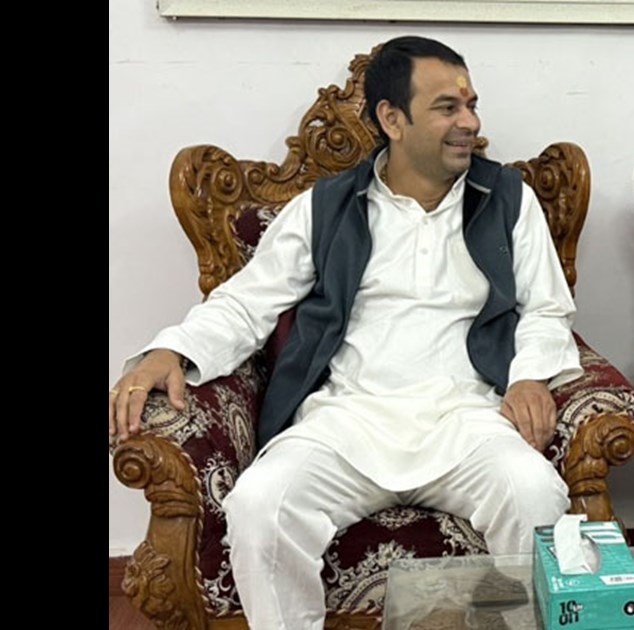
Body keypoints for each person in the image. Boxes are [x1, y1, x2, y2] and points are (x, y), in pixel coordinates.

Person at [108, 35, 582, 629]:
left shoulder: (508, 199)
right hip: (346, 418)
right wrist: (171, 349)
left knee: (534, 494)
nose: (471, 123)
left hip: (467, 418)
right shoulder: (326, 206)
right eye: (447, 108)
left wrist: (530, 377)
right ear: (392, 119)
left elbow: (546, 308)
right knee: (260, 506)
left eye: (471, 105)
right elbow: (248, 301)